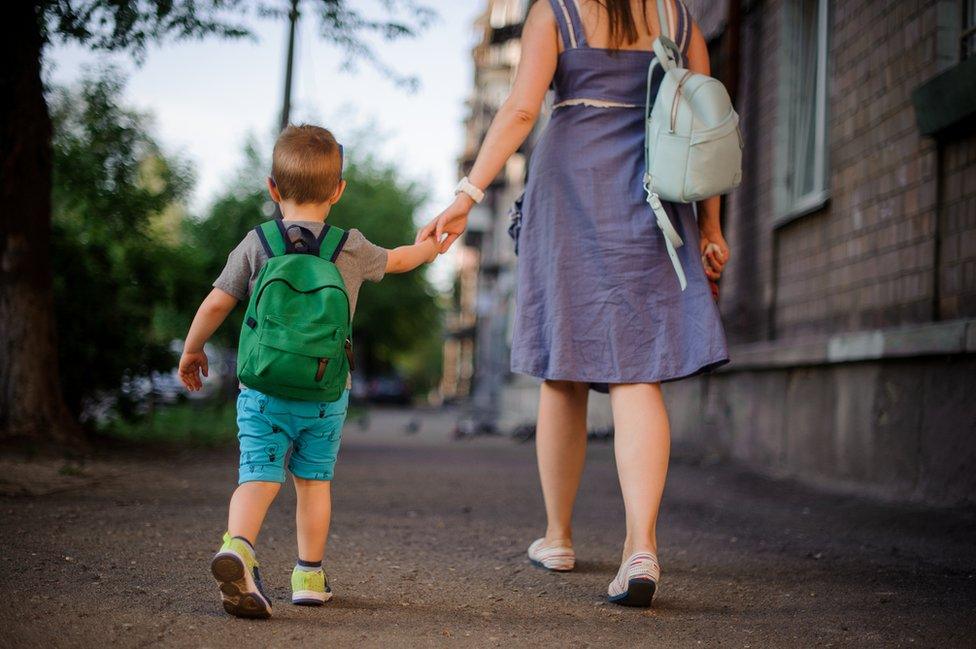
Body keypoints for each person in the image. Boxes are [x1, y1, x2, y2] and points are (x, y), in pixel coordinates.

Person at [418, 0, 730, 607]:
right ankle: (640, 546)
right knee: (637, 372)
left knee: (563, 367)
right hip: (656, 197)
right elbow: (707, 124)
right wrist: (712, 226)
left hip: (568, 191)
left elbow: (521, 109)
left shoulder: (555, 13)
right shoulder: (679, 18)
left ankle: (557, 538)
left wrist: (467, 193)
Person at [178, 124, 438, 618]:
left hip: (262, 391)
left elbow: (216, 303)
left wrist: (193, 351)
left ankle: (239, 548)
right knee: (313, 483)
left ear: (272, 189)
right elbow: (404, 259)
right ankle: (309, 577)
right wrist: (433, 245)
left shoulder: (258, 244)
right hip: (324, 393)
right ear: (338, 191)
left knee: (257, 477)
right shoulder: (351, 247)